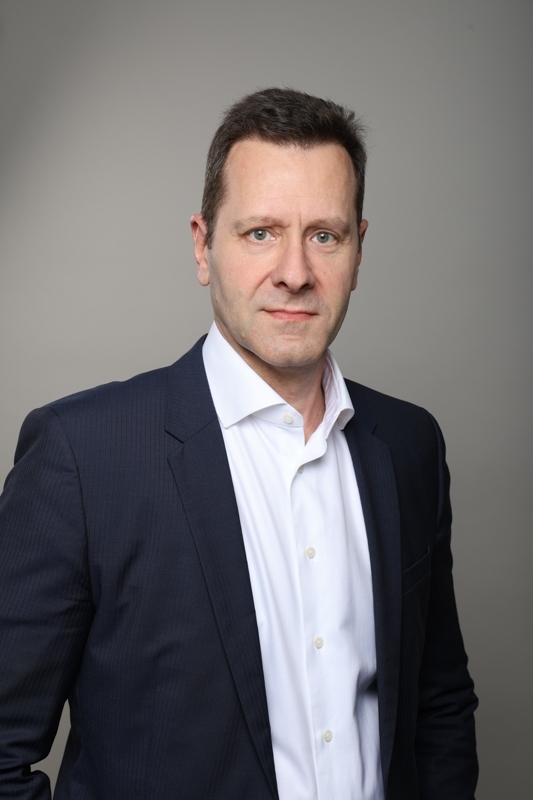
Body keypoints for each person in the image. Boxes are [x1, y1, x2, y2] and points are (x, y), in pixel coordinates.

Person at [0, 88, 478, 799]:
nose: (295, 271)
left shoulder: (408, 447)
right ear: (203, 246)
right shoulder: (83, 456)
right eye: (260, 233)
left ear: (358, 249)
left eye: (324, 236)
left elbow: (437, 707)